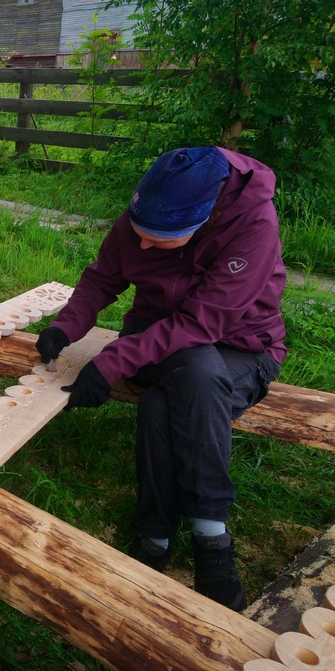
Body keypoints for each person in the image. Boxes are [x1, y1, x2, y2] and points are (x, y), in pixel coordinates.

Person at [35, 146, 286, 611]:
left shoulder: (253, 226)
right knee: (180, 381)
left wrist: (111, 363)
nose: (143, 246)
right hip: (156, 335)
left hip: (241, 344)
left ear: (201, 222)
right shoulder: (147, 207)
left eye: (160, 240)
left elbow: (203, 325)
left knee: (183, 381)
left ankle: (175, 532)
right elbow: (102, 278)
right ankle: (193, 533)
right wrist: (66, 325)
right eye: (139, 234)